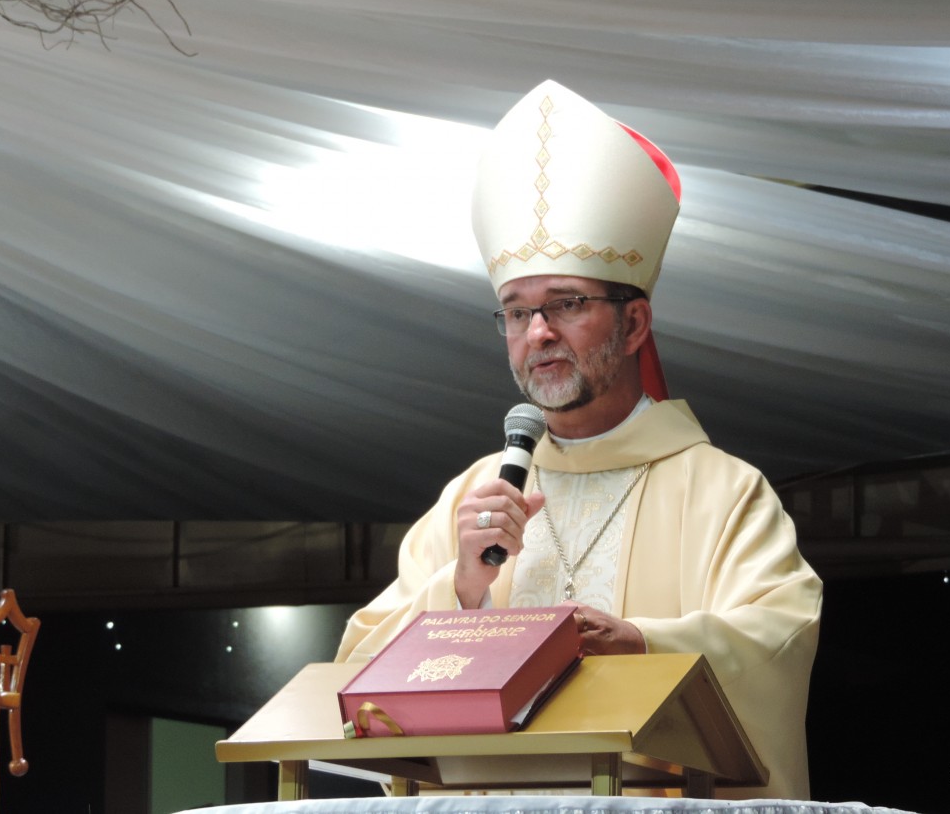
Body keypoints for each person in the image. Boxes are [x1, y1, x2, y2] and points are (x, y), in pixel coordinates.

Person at [334, 80, 822, 800]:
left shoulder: (722, 490)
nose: (538, 333)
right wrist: (462, 589)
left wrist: (646, 645)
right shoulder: (471, 498)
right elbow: (355, 676)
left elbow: (778, 635)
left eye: (567, 303)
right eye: (515, 312)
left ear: (633, 325)